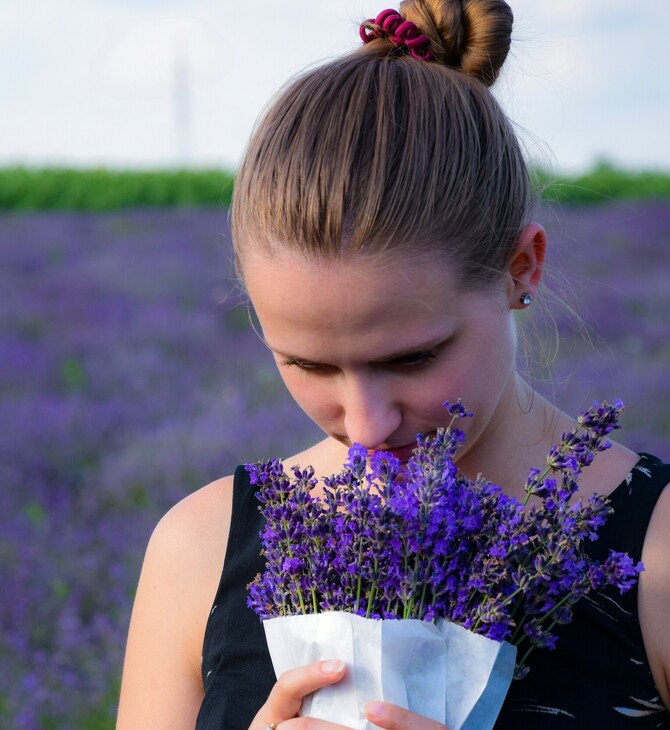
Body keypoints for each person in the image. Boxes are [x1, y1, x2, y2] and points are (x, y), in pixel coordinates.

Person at [116, 1, 670, 728]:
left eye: (412, 357)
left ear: (521, 268)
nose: (369, 426)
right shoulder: (199, 550)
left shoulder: (654, 550)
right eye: (308, 364)